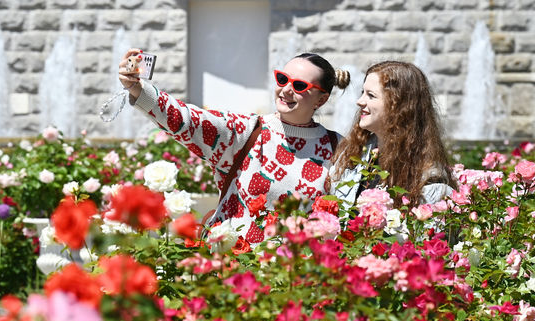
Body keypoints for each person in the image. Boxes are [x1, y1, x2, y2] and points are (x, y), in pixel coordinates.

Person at [118, 49, 350, 244]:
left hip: (294, 283)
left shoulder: (337, 148)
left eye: (299, 85)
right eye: (282, 79)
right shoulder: (246, 131)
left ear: (321, 99)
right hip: (230, 274)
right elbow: (187, 120)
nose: (286, 90)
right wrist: (138, 89)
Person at [328, 61, 456, 210]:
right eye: (362, 93)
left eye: (371, 95)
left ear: (399, 105)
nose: (360, 101)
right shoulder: (352, 155)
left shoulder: (429, 182)